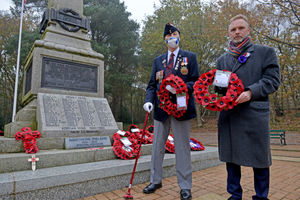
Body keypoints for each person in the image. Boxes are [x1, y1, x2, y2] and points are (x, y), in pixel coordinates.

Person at [215, 14, 280, 200]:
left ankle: (261, 196)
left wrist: (251, 92)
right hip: (230, 116)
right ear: (229, 33)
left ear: (248, 30)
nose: (237, 32)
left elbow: (272, 80)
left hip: (254, 115)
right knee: (231, 159)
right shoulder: (222, 60)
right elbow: (220, 88)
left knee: (259, 160)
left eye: (240, 28)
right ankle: (234, 195)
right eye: (233, 30)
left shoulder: (265, 52)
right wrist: (213, 96)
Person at [143, 23, 199, 200]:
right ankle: (155, 180)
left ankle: (185, 186)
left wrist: (182, 88)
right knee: (157, 147)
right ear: (164, 39)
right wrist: (147, 102)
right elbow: (152, 85)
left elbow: (196, 82)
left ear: (179, 36)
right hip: (161, 110)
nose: (171, 37)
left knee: (182, 148)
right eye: (168, 35)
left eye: (174, 33)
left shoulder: (190, 57)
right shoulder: (158, 61)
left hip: (182, 109)